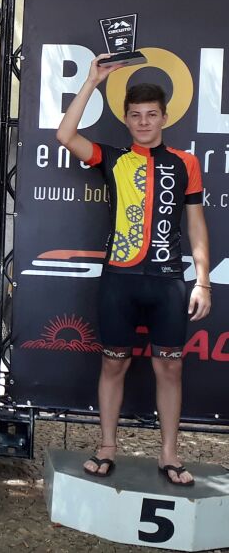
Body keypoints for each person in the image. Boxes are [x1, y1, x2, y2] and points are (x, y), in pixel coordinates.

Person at [57, 56, 210, 487]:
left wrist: (202, 280)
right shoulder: (113, 158)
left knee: (170, 369)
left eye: (151, 115)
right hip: (119, 280)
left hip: (168, 281)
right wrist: (91, 81)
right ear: (126, 119)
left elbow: (196, 223)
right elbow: (65, 135)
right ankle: (107, 447)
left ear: (165, 118)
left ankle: (169, 454)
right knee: (113, 365)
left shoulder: (185, 163)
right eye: (136, 115)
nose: (144, 122)